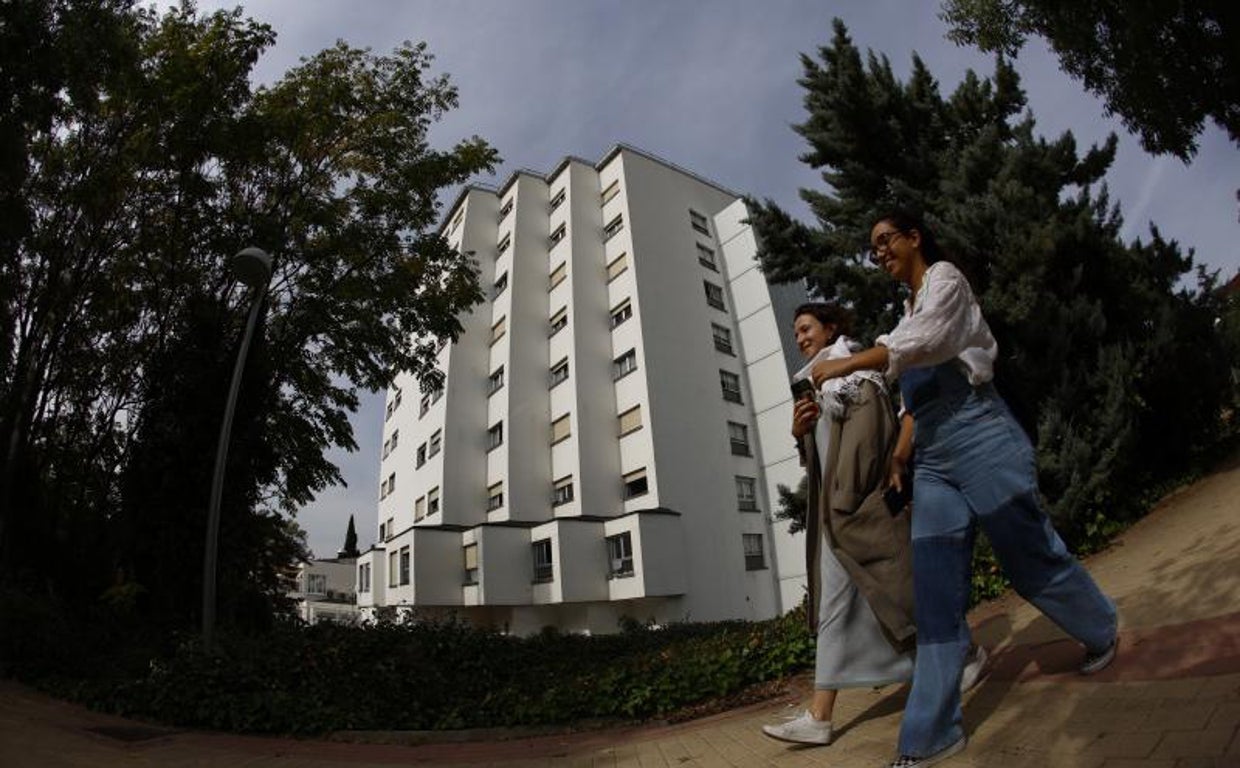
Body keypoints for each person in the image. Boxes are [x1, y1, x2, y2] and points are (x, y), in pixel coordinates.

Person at [809, 209, 1119, 767]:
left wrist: (851, 360)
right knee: (934, 595)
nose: (879, 251)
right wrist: (900, 456)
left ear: (913, 238)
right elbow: (909, 397)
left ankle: (1100, 629)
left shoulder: (946, 281)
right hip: (933, 461)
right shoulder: (901, 314)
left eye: (885, 240)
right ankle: (931, 736)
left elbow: (925, 343)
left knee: (1028, 556)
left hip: (981, 435)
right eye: (872, 246)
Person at [761, 303, 986, 747]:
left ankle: (966, 653)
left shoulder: (854, 377)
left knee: (896, 591)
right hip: (836, 517)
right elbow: (819, 460)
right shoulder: (816, 384)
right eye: (796, 333)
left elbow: (870, 446)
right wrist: (797, 434)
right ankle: (820, 716)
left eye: (806, 329)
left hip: (856, 513)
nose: (800, 338)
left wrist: (844, 505)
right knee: (843, 610)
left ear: (831, 329)